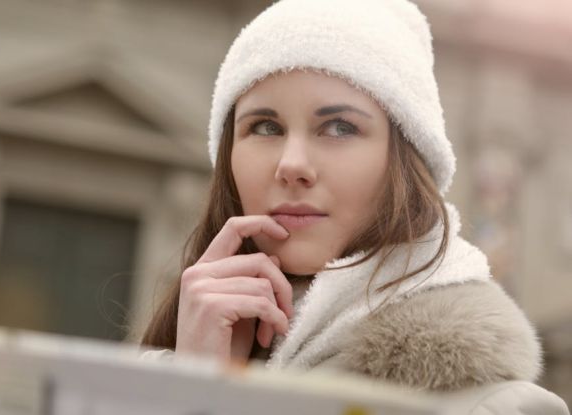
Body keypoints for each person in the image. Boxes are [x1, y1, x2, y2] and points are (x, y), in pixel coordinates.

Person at [138, 0, 570, 413]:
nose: (292, 165)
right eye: (265, 126)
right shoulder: (142, 388)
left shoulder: (496, 408)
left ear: (403, 159)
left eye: (339, 127)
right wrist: (194, 388)